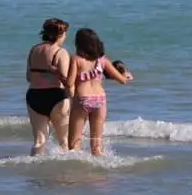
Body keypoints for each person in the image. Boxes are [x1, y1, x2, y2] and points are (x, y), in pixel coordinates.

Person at [64, 28, 132, 156]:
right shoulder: (103, 61)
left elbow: (69, 83)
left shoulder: (76, 59)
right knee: (96, 143)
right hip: (100, 100)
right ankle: (99, 173)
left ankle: (75, 174)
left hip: (83, 99)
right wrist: (127, 75)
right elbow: (122, 80)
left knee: (74, 143)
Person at [25, 17, 74, 154]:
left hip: (34, 96)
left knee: (39, 141)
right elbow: (66, 81)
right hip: (56, 96)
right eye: (65, 34)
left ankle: (35, 171)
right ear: (60, 35)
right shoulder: (61, 52)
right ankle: (64, 172)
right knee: (64, 140)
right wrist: (74, 98)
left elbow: (29, 77)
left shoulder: (33, 50)